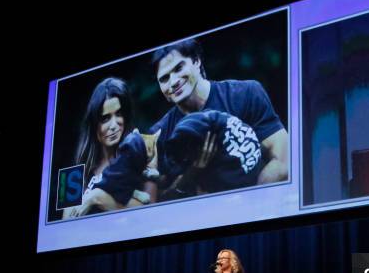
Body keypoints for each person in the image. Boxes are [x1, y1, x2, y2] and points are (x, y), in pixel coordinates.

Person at [147, 38, 289, 200]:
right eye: (164, 78)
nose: (173, 82)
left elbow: (284, 159)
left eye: (179, 68)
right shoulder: (158, 134)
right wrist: (192, 173)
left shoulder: (246, 94)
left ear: (196, 61)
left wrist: (246, 205)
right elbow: (158, 201)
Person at [62, 78, 151, 218]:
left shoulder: (140, 152)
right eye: (105, 118)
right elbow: (65, 224)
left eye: (119, 114)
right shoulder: (71, 174)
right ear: (93, 124)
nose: (114, 125)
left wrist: (96, 197)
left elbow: (150, 211)